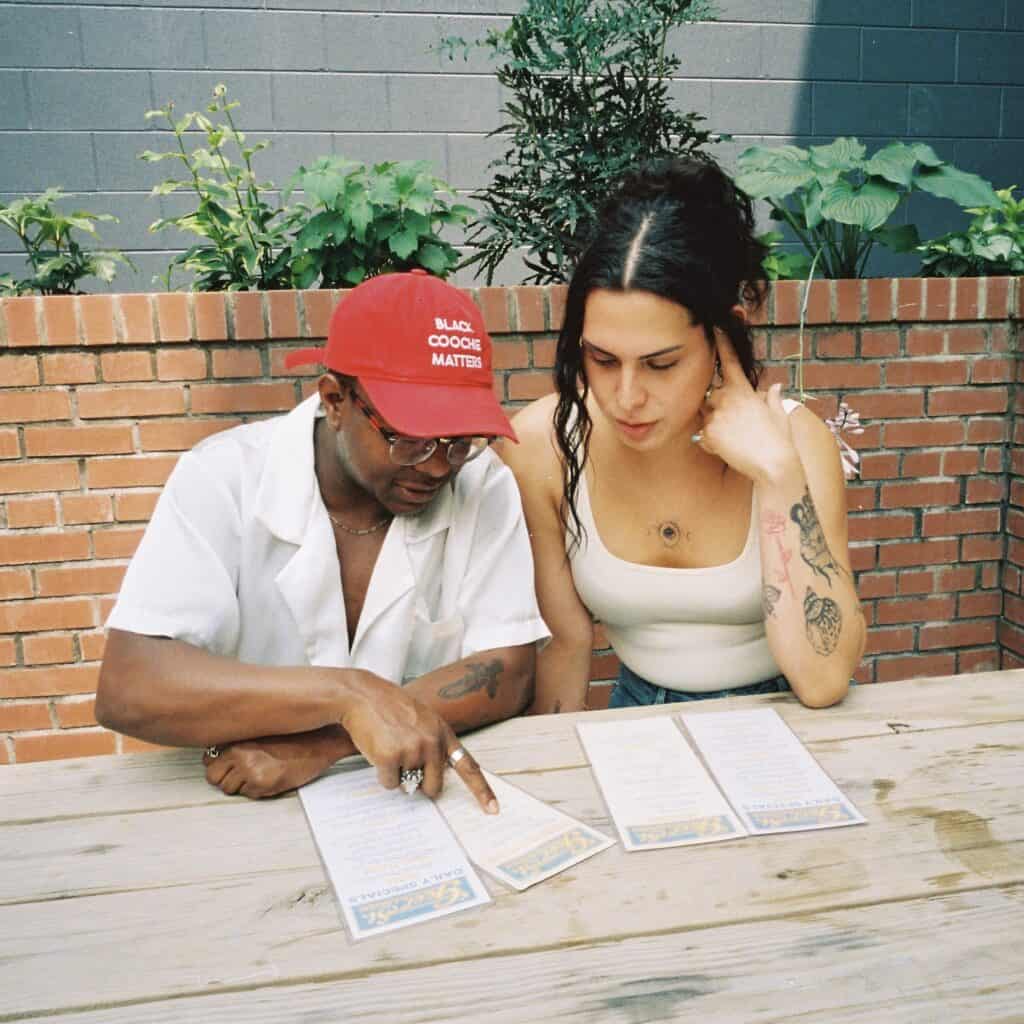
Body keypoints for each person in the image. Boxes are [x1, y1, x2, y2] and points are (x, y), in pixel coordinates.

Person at [97, 269, 550, 808]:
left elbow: (510, 669)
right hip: (241, 802)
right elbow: (129, 686)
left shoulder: (481, 481)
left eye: (459, 442)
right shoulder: (223, 478)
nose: (436, 467)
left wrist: (325, 742)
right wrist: (348, 694)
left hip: (403, 799)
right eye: (409, 440)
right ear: (335, 400)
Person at [501, 159, 865, 713]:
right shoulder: (543, 446)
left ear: (726, 333)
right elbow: (566, 644)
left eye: (661, 364)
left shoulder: (794, 440)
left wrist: (776, 472)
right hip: (637, 713)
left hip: (786, 714)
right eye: (601, 359)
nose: (626, 396)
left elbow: (823, 679)